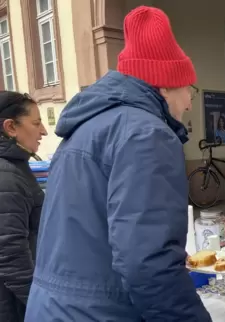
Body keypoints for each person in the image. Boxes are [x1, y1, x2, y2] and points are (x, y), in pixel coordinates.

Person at [25, 6, 211, 322]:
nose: (190, 101)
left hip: (52, 307)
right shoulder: (148, 134)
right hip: (98, 312)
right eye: (189, 89)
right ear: (165, 85)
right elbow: (149, 264)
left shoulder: (86, 127)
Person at [0, 91, 47, 321]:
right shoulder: (6, 175)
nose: (44, 131)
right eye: (36, 123)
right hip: (13, 307)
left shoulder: (14, 167)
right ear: (10, 127)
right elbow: (10, 254)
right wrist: (41, 308)